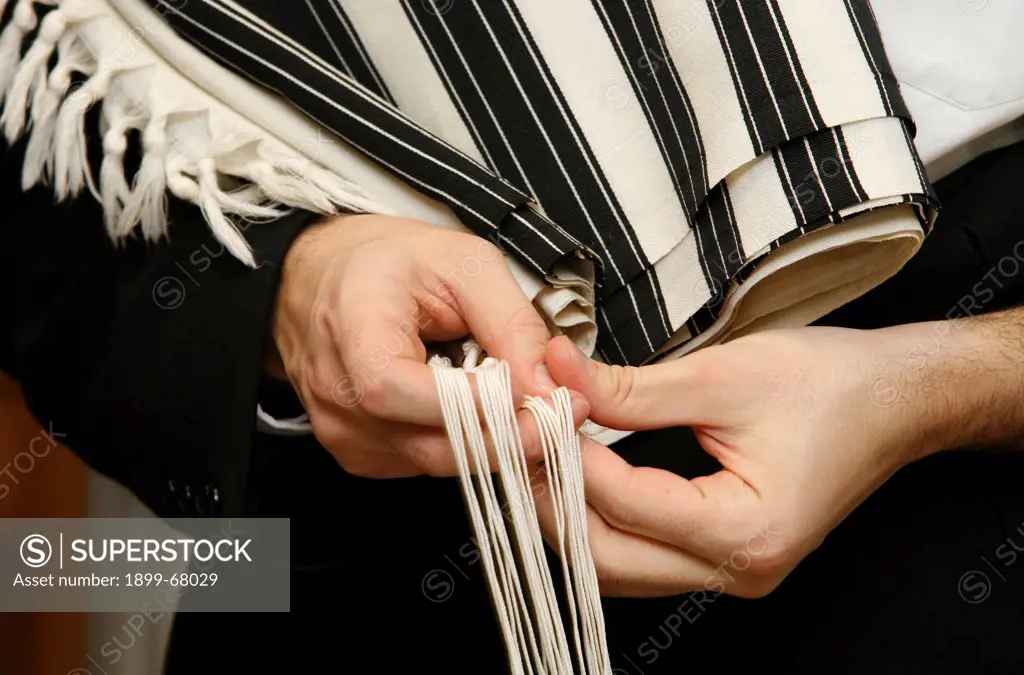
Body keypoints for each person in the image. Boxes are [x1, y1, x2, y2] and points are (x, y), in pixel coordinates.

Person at [2, 1, 1023, 673]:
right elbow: (42, 165)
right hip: (377, 537)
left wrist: (947, 382)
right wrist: (284, 289)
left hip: (954, 490)